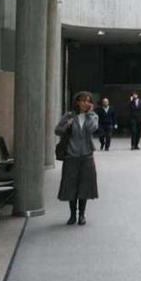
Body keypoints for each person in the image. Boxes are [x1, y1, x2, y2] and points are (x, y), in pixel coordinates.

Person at [54, 91, 100, 226]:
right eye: (83, 100)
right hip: (71, 155)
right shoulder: (69, 115)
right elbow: (57, 130)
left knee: (84, 186)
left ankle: (82, 215)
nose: (86, 103)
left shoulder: (93, 116)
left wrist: (90, 114)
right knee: (71, 186)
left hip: (86, 156)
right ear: (77, 102)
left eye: (88, 101)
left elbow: (92, 129)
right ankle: (72, 215)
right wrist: (66, 125)